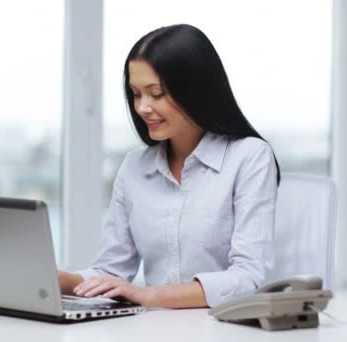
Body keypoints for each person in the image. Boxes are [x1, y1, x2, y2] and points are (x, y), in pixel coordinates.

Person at [58, 24, 281, 309]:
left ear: (195, 90)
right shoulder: (134, 168)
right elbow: (111, 274)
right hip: (154, 328)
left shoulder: (249, 157)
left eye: (156, 93)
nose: (142, 107)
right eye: (136, 93)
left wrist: (146, 294)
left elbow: (250, 278)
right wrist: (56, 279)